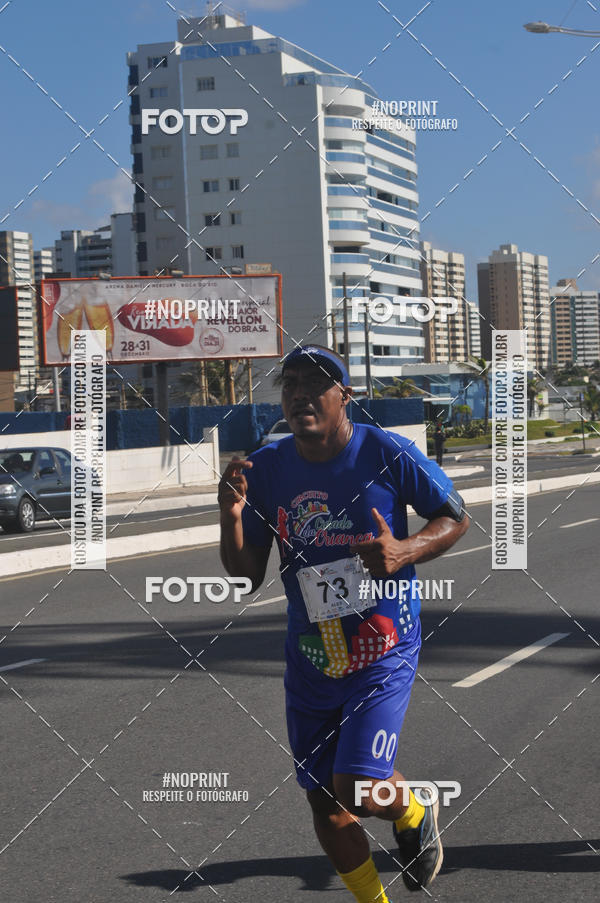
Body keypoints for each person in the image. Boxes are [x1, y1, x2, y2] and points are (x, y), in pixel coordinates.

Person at [218, 345, 469, 900]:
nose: (300, 393)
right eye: (291, 384)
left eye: (317, 383)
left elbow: (455, 515)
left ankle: (410, 804)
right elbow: (244, 575)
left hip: (384, 647)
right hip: (313, 657)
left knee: (356, 788)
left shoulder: (386, 452)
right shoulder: (267, 469)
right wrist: (230, 516)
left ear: (345, 396)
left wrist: (405, 551)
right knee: (327, 807)